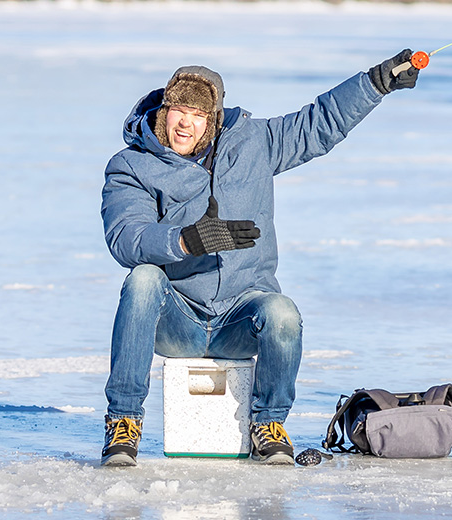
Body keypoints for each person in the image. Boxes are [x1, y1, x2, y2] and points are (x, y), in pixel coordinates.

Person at [97, 51, 421, 467]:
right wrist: (186, 240)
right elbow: (126, 237)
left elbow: (318, 122)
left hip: (240, 316)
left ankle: (268, 423)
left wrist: (376, 82)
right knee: (142, 279)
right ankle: (123, 420)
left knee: (282, 313)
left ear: (212, 119)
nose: (185, 123)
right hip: (176, 319)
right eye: (179, 109)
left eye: (197, 114)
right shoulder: (132, 165)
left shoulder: (255, 143)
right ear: (164, 109)